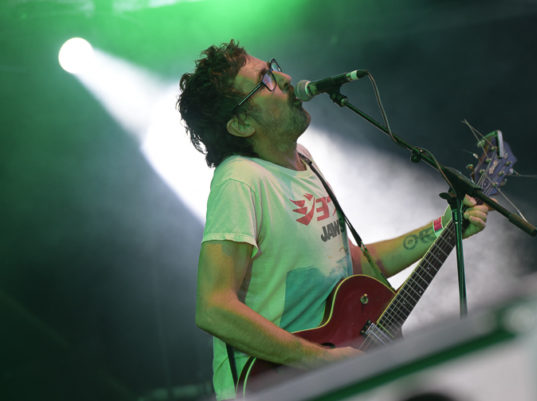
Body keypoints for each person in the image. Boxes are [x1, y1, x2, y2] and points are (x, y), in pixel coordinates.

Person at [177, 40, 490, 400]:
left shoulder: (305, 160)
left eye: (274, 68)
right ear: (242, 123)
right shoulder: (239, 179)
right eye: (265, 80)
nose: (286, 78)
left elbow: (347, 265)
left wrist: (444, 228)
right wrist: (319, 360)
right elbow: (214, 308)